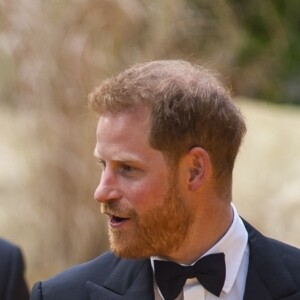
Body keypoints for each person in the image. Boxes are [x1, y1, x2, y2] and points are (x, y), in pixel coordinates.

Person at [30, 60, 300, 300]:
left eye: (127, 168)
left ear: (194, 170)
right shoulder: (59, 295)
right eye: (103, 164)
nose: (101, 192)